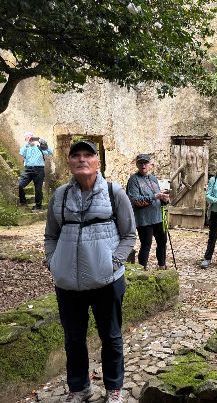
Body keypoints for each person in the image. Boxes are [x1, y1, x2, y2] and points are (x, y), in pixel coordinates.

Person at [44, 140, 136, 403]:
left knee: (111, 336)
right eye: (76, 156)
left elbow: (129, 235)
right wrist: (53, 261)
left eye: (88, 155)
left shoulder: (113, 192)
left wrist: (114, 262)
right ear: (70, 162)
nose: (82, 160)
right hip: (68, 284)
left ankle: (113, 388)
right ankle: (79, 388)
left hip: (107, 280)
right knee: (73, 339)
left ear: (97, 162)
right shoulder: (60, 196)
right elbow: (51, 235)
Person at [126, 154, 170, 271]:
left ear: (150, 165)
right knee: (146, 245)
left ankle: (161, 265)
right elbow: (135, 200)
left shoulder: (153, 178)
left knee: (162, 241)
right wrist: (155, 196)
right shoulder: (133, 180)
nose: (143, 165)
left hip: (158, 217)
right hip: (144, 219)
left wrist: (164, 200)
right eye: (140, 163)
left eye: (145, 163)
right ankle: (142, 270)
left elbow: (158, 198)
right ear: (137, 164)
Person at [18, 132, 53, 211]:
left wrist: (45, 145)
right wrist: (27, 143)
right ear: (26, 139)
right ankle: (23, 202)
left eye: (32, 137)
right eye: (28, 137)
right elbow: (21, 153)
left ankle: (38, 207)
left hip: (39, 170)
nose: (31, 139)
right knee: (19, 185)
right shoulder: (25, 147)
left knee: (38, 189)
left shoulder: (39, 147)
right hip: (28, 170)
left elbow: (50, 152)